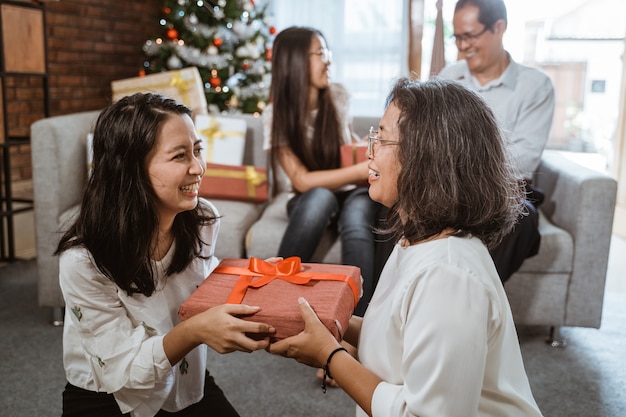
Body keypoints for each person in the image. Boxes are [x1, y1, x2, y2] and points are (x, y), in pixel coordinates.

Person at [269, 78, 544, 417]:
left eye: (382, 139)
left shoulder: (448, 276)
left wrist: (329, 356)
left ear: (426, 156)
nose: (369, 151)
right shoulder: (416, 240)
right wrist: (322, 316)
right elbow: (396, 334)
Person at [55, 93, 275, 417]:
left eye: (198, 150)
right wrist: (196, 332)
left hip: (183, 378)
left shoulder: (202, 220)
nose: (198, 167)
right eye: (180, 156)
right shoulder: (83, 261)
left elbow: (201, 281)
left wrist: (249, 279)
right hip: (107, 394)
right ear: (130, 170)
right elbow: (121, 369)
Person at [264, 26, 385, 317]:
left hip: (353, 191)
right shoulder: (276, 114)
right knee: (319, 197)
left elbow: (348, 144)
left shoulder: (338, 96)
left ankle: (357, 320)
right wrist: (361, 168)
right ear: (294, 61)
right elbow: (301, 180)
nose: (328, 60)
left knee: (357, 218)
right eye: (320, 53)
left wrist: (367, 155)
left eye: (326, 52)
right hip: (312, 196)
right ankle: (275, 292)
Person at [438, 0, 555, 282]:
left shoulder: (534, 86)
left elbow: (524, 158)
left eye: (470, 36)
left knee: (522, 219)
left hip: (502, 192)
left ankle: (471, 304)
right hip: (446, 188)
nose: (462, 46)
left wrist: (465, 172)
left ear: (499, 28)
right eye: (457, 37)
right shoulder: (448, 78)